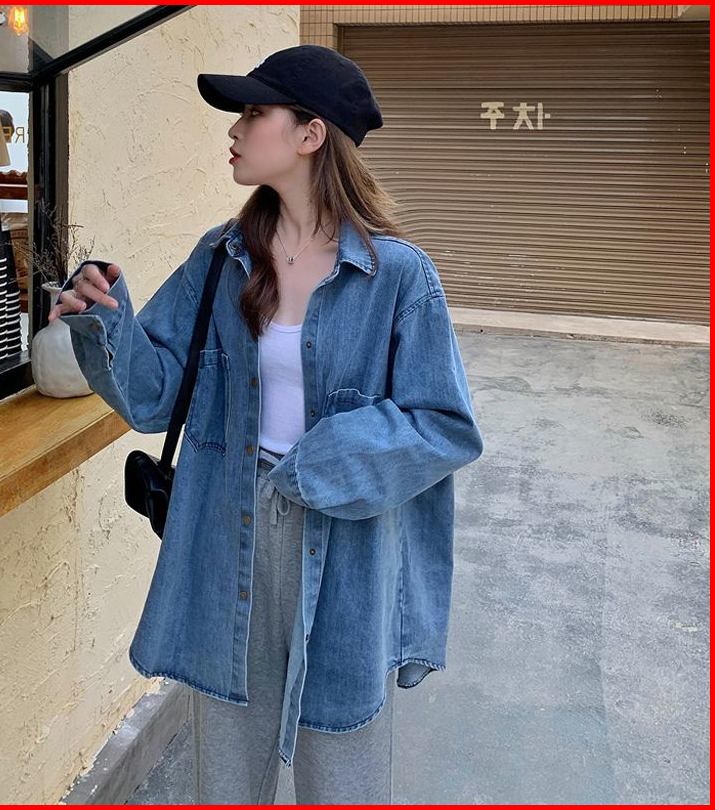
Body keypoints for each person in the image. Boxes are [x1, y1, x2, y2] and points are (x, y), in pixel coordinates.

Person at [49, 44, 484, 805]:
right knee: (225, 769)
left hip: (347, 543)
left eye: (254, 113)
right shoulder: (222, 258)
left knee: (341, 772)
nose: (235, 128)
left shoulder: (398, 276)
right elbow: (155, 398)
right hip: (228, 526)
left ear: (311, 134)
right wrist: (105, 319)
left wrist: (325, 459)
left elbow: (445, 426)